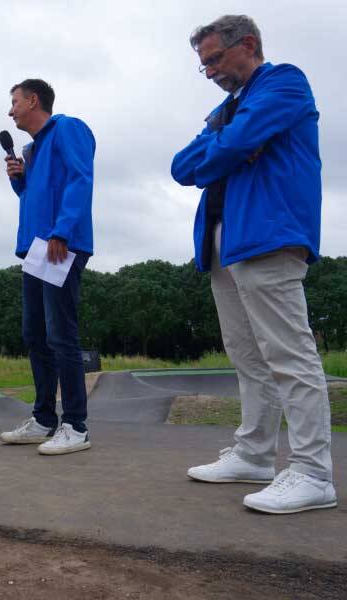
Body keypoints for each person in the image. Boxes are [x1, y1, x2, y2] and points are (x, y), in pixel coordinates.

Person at [171, 15, 337, 514]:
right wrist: (231, 145)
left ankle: (312, 472)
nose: (211, 71)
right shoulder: (229, 108)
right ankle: (254, 454)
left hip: (268, 231)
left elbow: (236, 145)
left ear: (247, 44)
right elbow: (181, 167)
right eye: (204, 66)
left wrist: (228, 145)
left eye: (215, 60)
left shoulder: (284, 81)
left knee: (289, 355)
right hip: (225, 239)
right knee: (247, 356)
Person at [0, 78, 95, 456]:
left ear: (33, 100)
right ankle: (43, 419)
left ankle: (76, 426)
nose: (10, 111)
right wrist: (19, 180)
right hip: (37, 248)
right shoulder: (32, 149)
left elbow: (79, 178)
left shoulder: (68, 128)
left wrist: (63, 231)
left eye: (14, 102)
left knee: (61, 335)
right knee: (35, 335)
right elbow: (33, 196)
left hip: (61, 244)